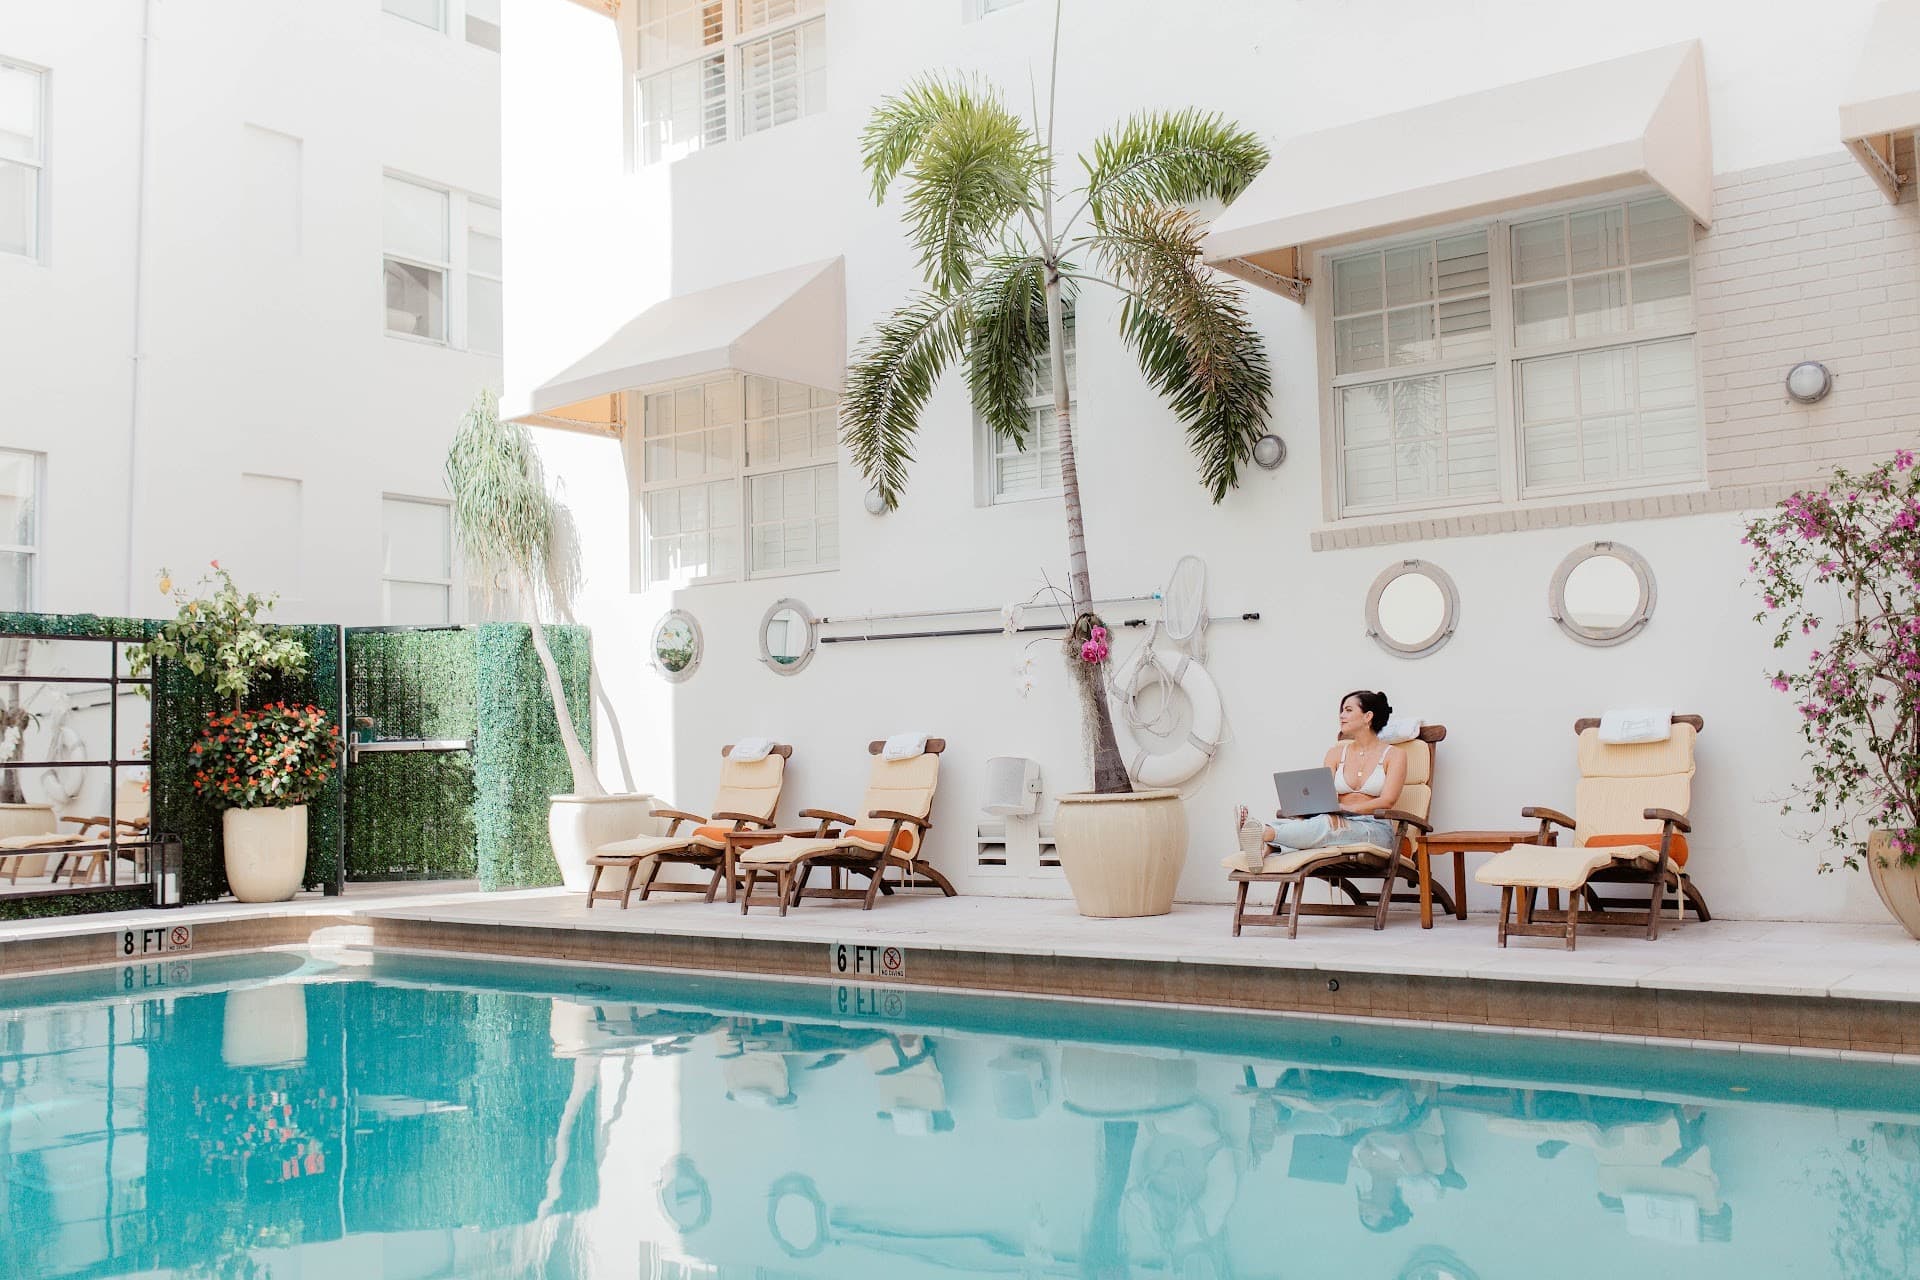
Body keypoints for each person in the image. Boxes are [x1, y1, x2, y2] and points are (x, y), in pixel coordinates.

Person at [1236, 690, 1405, 860]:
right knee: (1315, 823)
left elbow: (1387, 800)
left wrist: (1349, 809)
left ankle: (1262, 833)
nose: (1341, 716)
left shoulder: (1394, 755)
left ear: (1367, 716)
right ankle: (1266, 849)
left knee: (1327, 825)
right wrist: (1304, 809)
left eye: (1348, 710)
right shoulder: (1335, 754)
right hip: (1336, 821)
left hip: (1375, 828)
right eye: (1341, 711)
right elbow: (1323, 796)